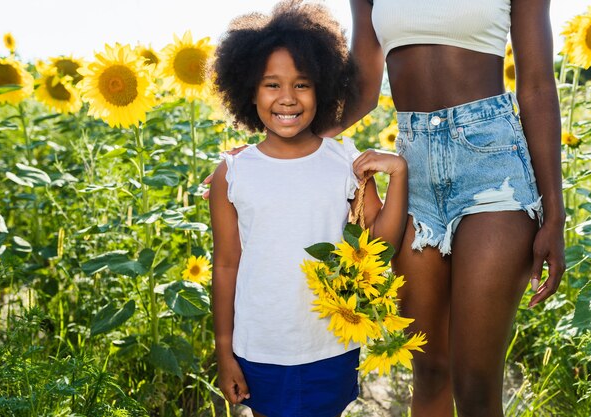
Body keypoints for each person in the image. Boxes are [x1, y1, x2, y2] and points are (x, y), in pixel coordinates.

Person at [336, 1, 566, 416]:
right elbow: (363, 89)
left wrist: (555, 214)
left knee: (475, 384)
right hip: (414, 171)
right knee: (428, 369)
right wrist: (276, 147)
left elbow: (536, 86)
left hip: (493, 167)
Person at [208, 2, 408, 416]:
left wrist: (399, 175)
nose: (287, 98)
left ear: (324, 86)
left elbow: (381, 246)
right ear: (248, 88)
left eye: (302, 84)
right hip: (260, 344)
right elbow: (226, 264)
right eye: (271, 85)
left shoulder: (345, 162)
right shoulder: (233, 172)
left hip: (330, 343)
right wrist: (224, 352)